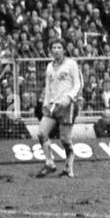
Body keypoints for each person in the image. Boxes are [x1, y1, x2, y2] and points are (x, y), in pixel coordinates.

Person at [34, 39, 81, 178]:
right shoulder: (49, 66)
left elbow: (78, 84)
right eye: (53, 47)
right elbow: (48, 87)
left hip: (68, 105)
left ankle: (69, 168)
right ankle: (49, 163)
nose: (56, 50)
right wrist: (45, 103)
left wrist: (70, 96)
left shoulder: (71, 64)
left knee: (65, 139)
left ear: (64, 50)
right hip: (53, 105)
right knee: (42, 133)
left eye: (59, 47)